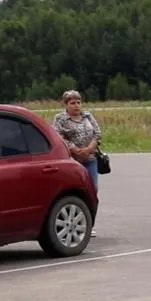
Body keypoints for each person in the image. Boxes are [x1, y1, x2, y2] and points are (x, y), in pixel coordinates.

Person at [52, 90, 103, 236]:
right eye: (72, 103)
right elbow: (58, 136)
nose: (76, 106)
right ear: (66, 105)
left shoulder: (88, 116)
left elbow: (97, 133)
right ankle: (74, 222)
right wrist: (75, 150)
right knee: (76, 192)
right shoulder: (61, 118)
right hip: (73, 161)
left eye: (78, 102)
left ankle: (89, 223)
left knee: (93, 190)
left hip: (90, 159)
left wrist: (89, 149)